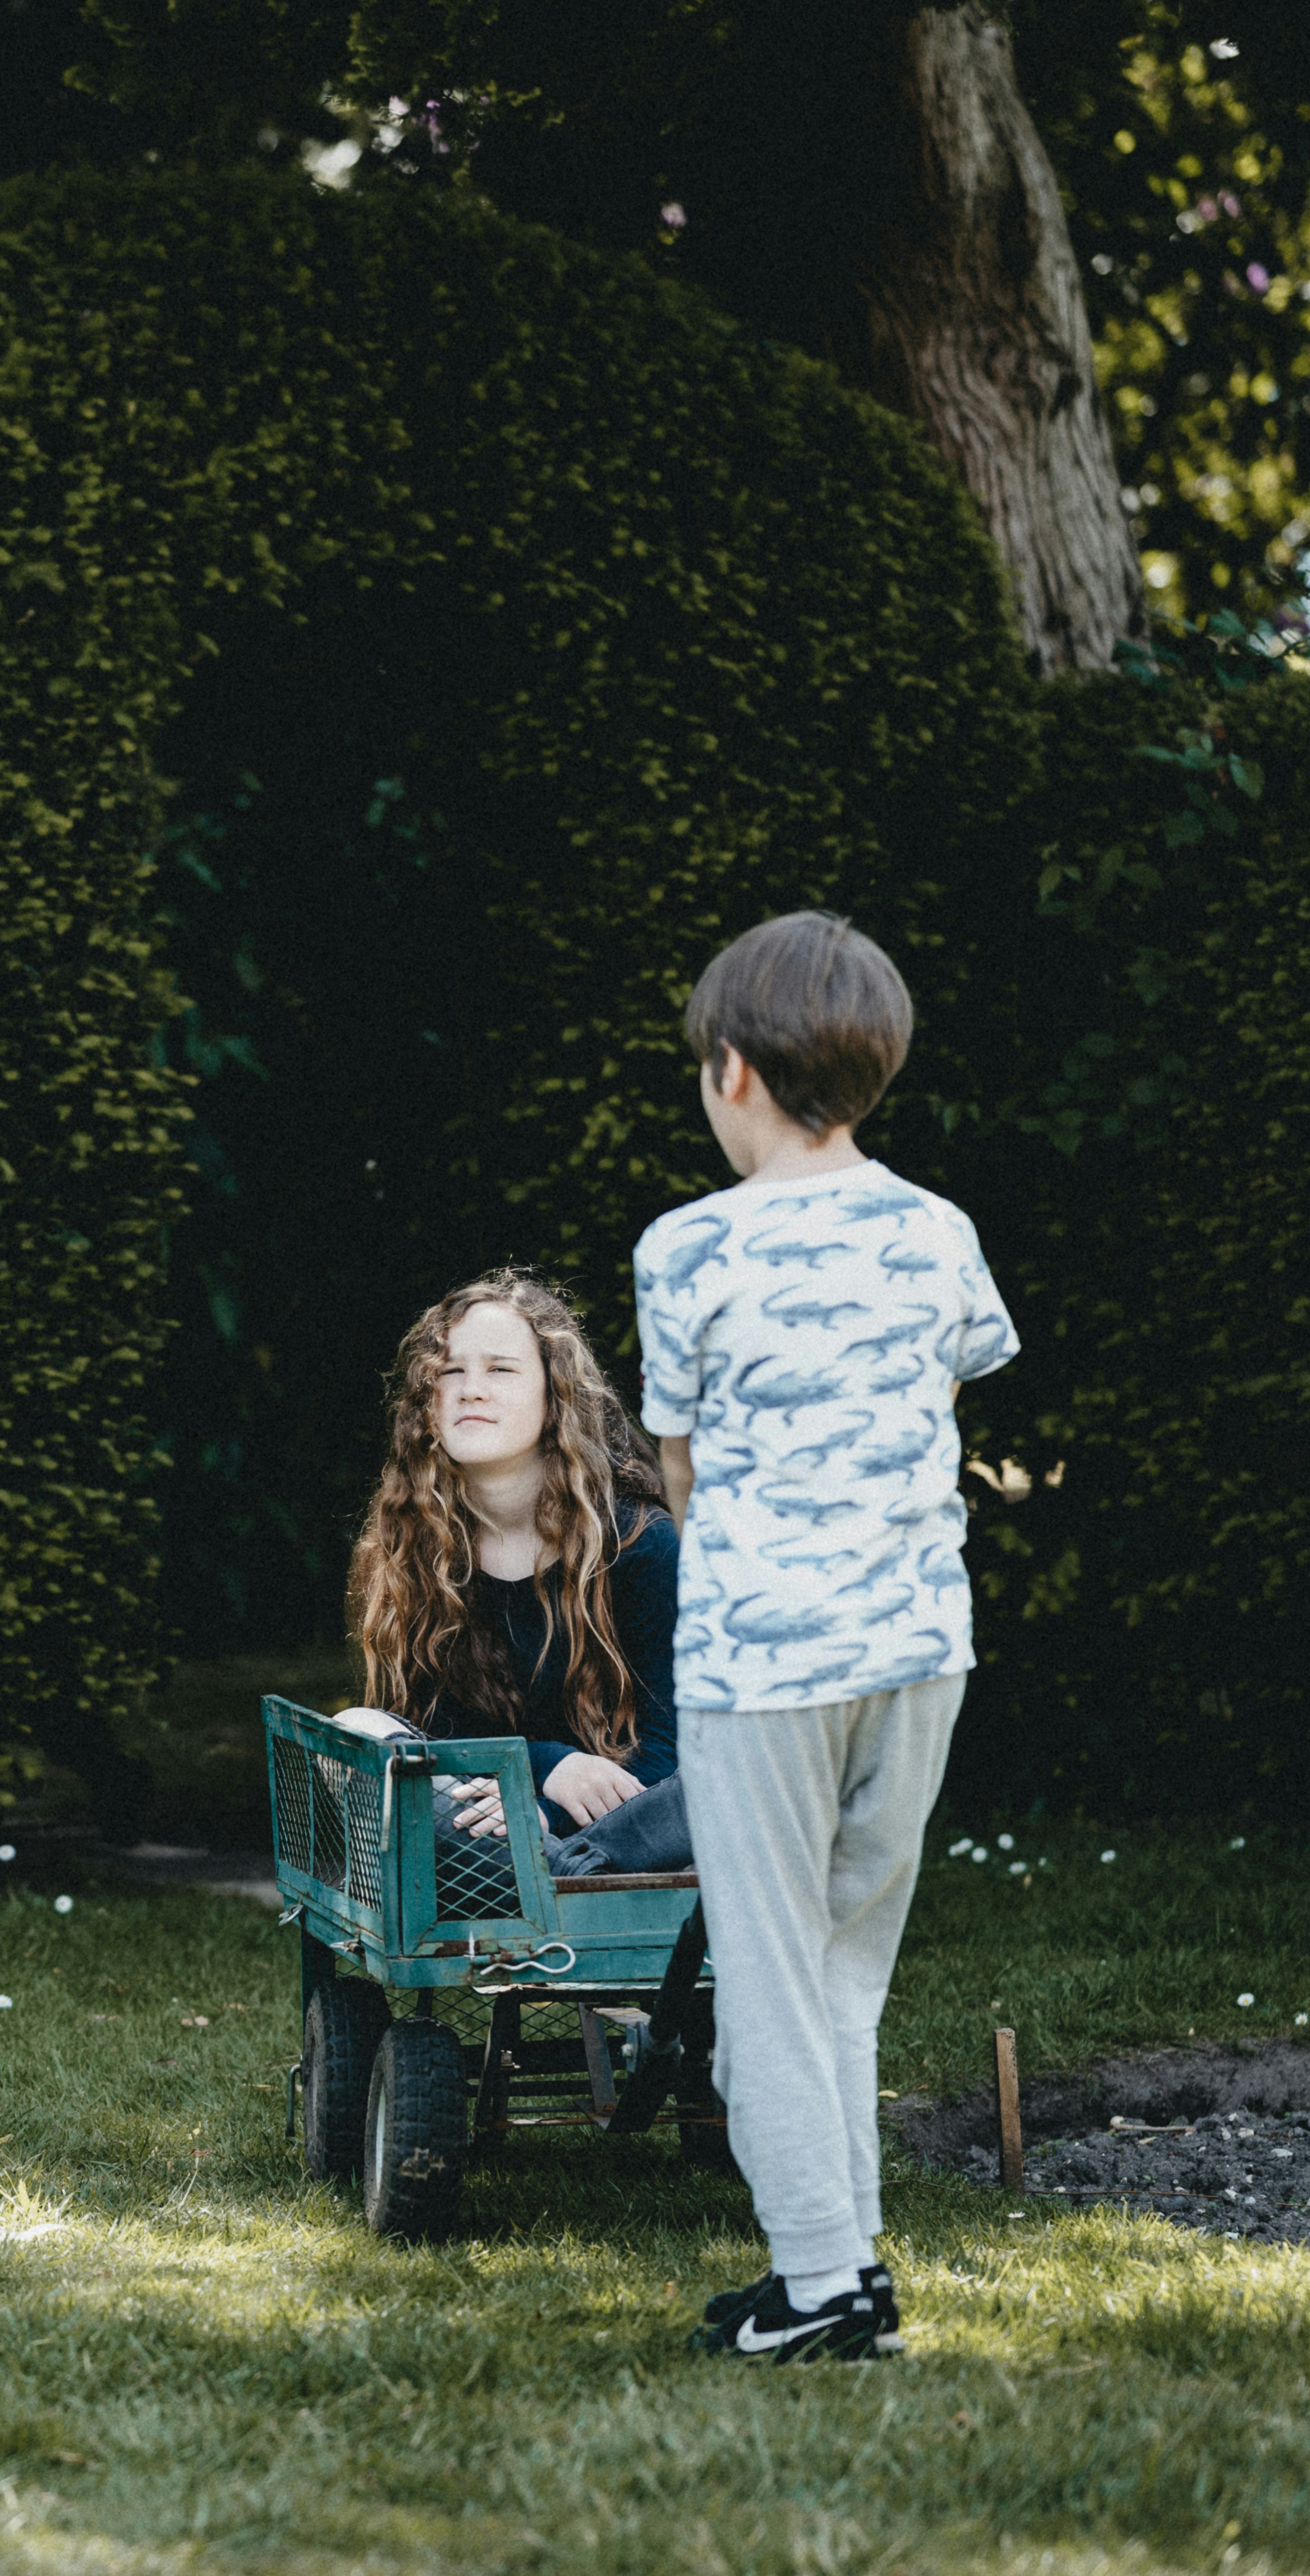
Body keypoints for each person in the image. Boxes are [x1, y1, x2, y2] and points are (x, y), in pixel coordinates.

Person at [635, 910, 1016, 2367]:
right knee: (842, 1968)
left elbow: (676, 1465)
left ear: (732, 1071)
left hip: (765, 1665)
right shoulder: (940, 1230)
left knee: (774, 1983)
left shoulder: (687, 1249)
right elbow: (950, 1401)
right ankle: (842, 2267)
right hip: (920, 1648)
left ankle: (815, 2292)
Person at [343, 1269, 685, 1878]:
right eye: (450, 1372)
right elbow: (431, 1737)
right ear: (426, 1401)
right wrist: (546, 1767)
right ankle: (548, 1875)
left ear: (556, 1397)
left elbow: (672, 1750)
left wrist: (542, 1815)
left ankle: (562, 1873)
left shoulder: (639, 1543)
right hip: (485, 1820)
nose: (471, 1390)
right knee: (359, 1742)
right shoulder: (411, 1549)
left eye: (500, 1369)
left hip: (632, 1824)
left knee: (713, 1789)